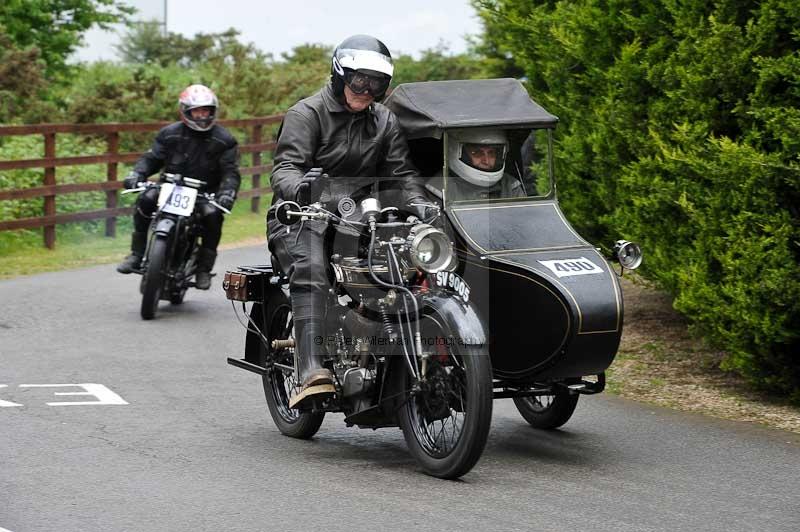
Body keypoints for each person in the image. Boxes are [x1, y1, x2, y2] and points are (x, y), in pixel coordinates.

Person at [267, 34, 436, 409]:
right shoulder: (306, 114)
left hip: (359, 218)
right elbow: (285, 169)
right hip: (300, 215)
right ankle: (311, 368)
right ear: (340, 75)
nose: (367, 90)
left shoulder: (384, 120)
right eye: (360, 80)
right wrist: (302, 191)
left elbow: (402, 173)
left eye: (377, 84)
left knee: (407, 261)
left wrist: (420, 205)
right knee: (312, 267)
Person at [116, 84, 241, 290]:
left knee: (212, 216)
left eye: (206, 111)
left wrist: (227, 193)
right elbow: (152, 158)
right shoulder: (169, 134)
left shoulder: (225, 140)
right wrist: (137, 173)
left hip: (204, 194)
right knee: (145, 200)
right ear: (186, 111)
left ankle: (203, 269)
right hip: (170, 187)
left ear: (213, 111)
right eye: (197, 111)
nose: (201, 116)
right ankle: (136, 254)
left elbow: (230, 172)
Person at [445, 128, 525, 201]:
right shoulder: (442, 188)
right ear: (455, 151)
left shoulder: (510, 187)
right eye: (477, 153)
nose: (486, 161)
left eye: (491, 153)